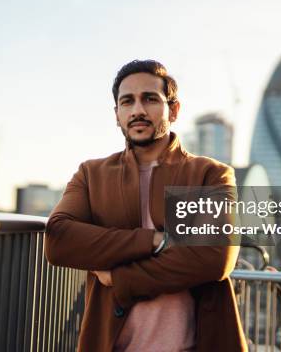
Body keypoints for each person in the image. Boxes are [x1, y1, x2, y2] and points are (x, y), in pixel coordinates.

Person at [44, 59, 247, 351]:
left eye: (150, 99)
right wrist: (156, 240)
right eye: (127, 102)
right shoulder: (91, 173)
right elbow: (59, 239)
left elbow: (216, 256)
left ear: (173, 110)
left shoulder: (211, 174)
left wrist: (120, 277)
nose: (138, 110)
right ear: (117, 115)